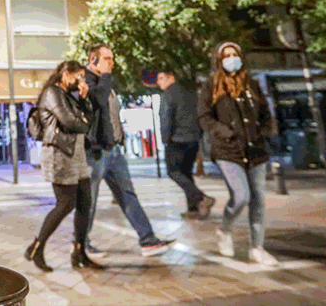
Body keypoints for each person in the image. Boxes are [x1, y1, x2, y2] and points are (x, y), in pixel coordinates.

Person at [83, 44, 175, 257]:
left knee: (127, 195)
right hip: (95, 151)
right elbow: (96, 101)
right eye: (106, 58)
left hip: (114, 150)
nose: (111, 63)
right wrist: (105, 76)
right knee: (89, 199)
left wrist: (120, 138)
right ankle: (80, 244)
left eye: (111, 58)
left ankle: (148, 240)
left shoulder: (106, 82)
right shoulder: (87, 81)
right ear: (92, 61)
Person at [197, 42, 278, 265]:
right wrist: (224, 132)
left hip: (256, 149)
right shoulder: (211, 86)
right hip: (228, 150)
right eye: (227, 55)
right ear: (219, 60)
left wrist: (263, 132)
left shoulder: (252, 84)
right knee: (241, 196)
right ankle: (224, 230)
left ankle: (257, 247)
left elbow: (265, 113)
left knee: (258, 198)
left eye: (235, 54)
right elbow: (205, 117)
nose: (232, 58)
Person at [24, 61, 103, 271]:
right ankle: (36, 247)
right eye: (78, 77)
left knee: (85, 202)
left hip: (76, 152)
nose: (81, 81)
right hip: (59, 153)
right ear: (66, 75)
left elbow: (87, 121)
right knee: (65, 203)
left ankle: (79, 253)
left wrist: (85, 99)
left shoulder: (69, 95)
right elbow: (73, 122)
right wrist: (83, 120)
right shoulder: (52, 92)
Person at [157, 70, 216, 219]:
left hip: (176, 141)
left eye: (162, 78)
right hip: (193, 140)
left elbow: (166, 117)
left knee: (173, 171)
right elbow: (201, 115)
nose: (159, 82)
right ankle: (194, 208)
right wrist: (199, 136)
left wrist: (165, 139)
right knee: (187, 173)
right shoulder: (191, 94)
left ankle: (201, 198)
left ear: (172, 78)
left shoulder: (167, 95)